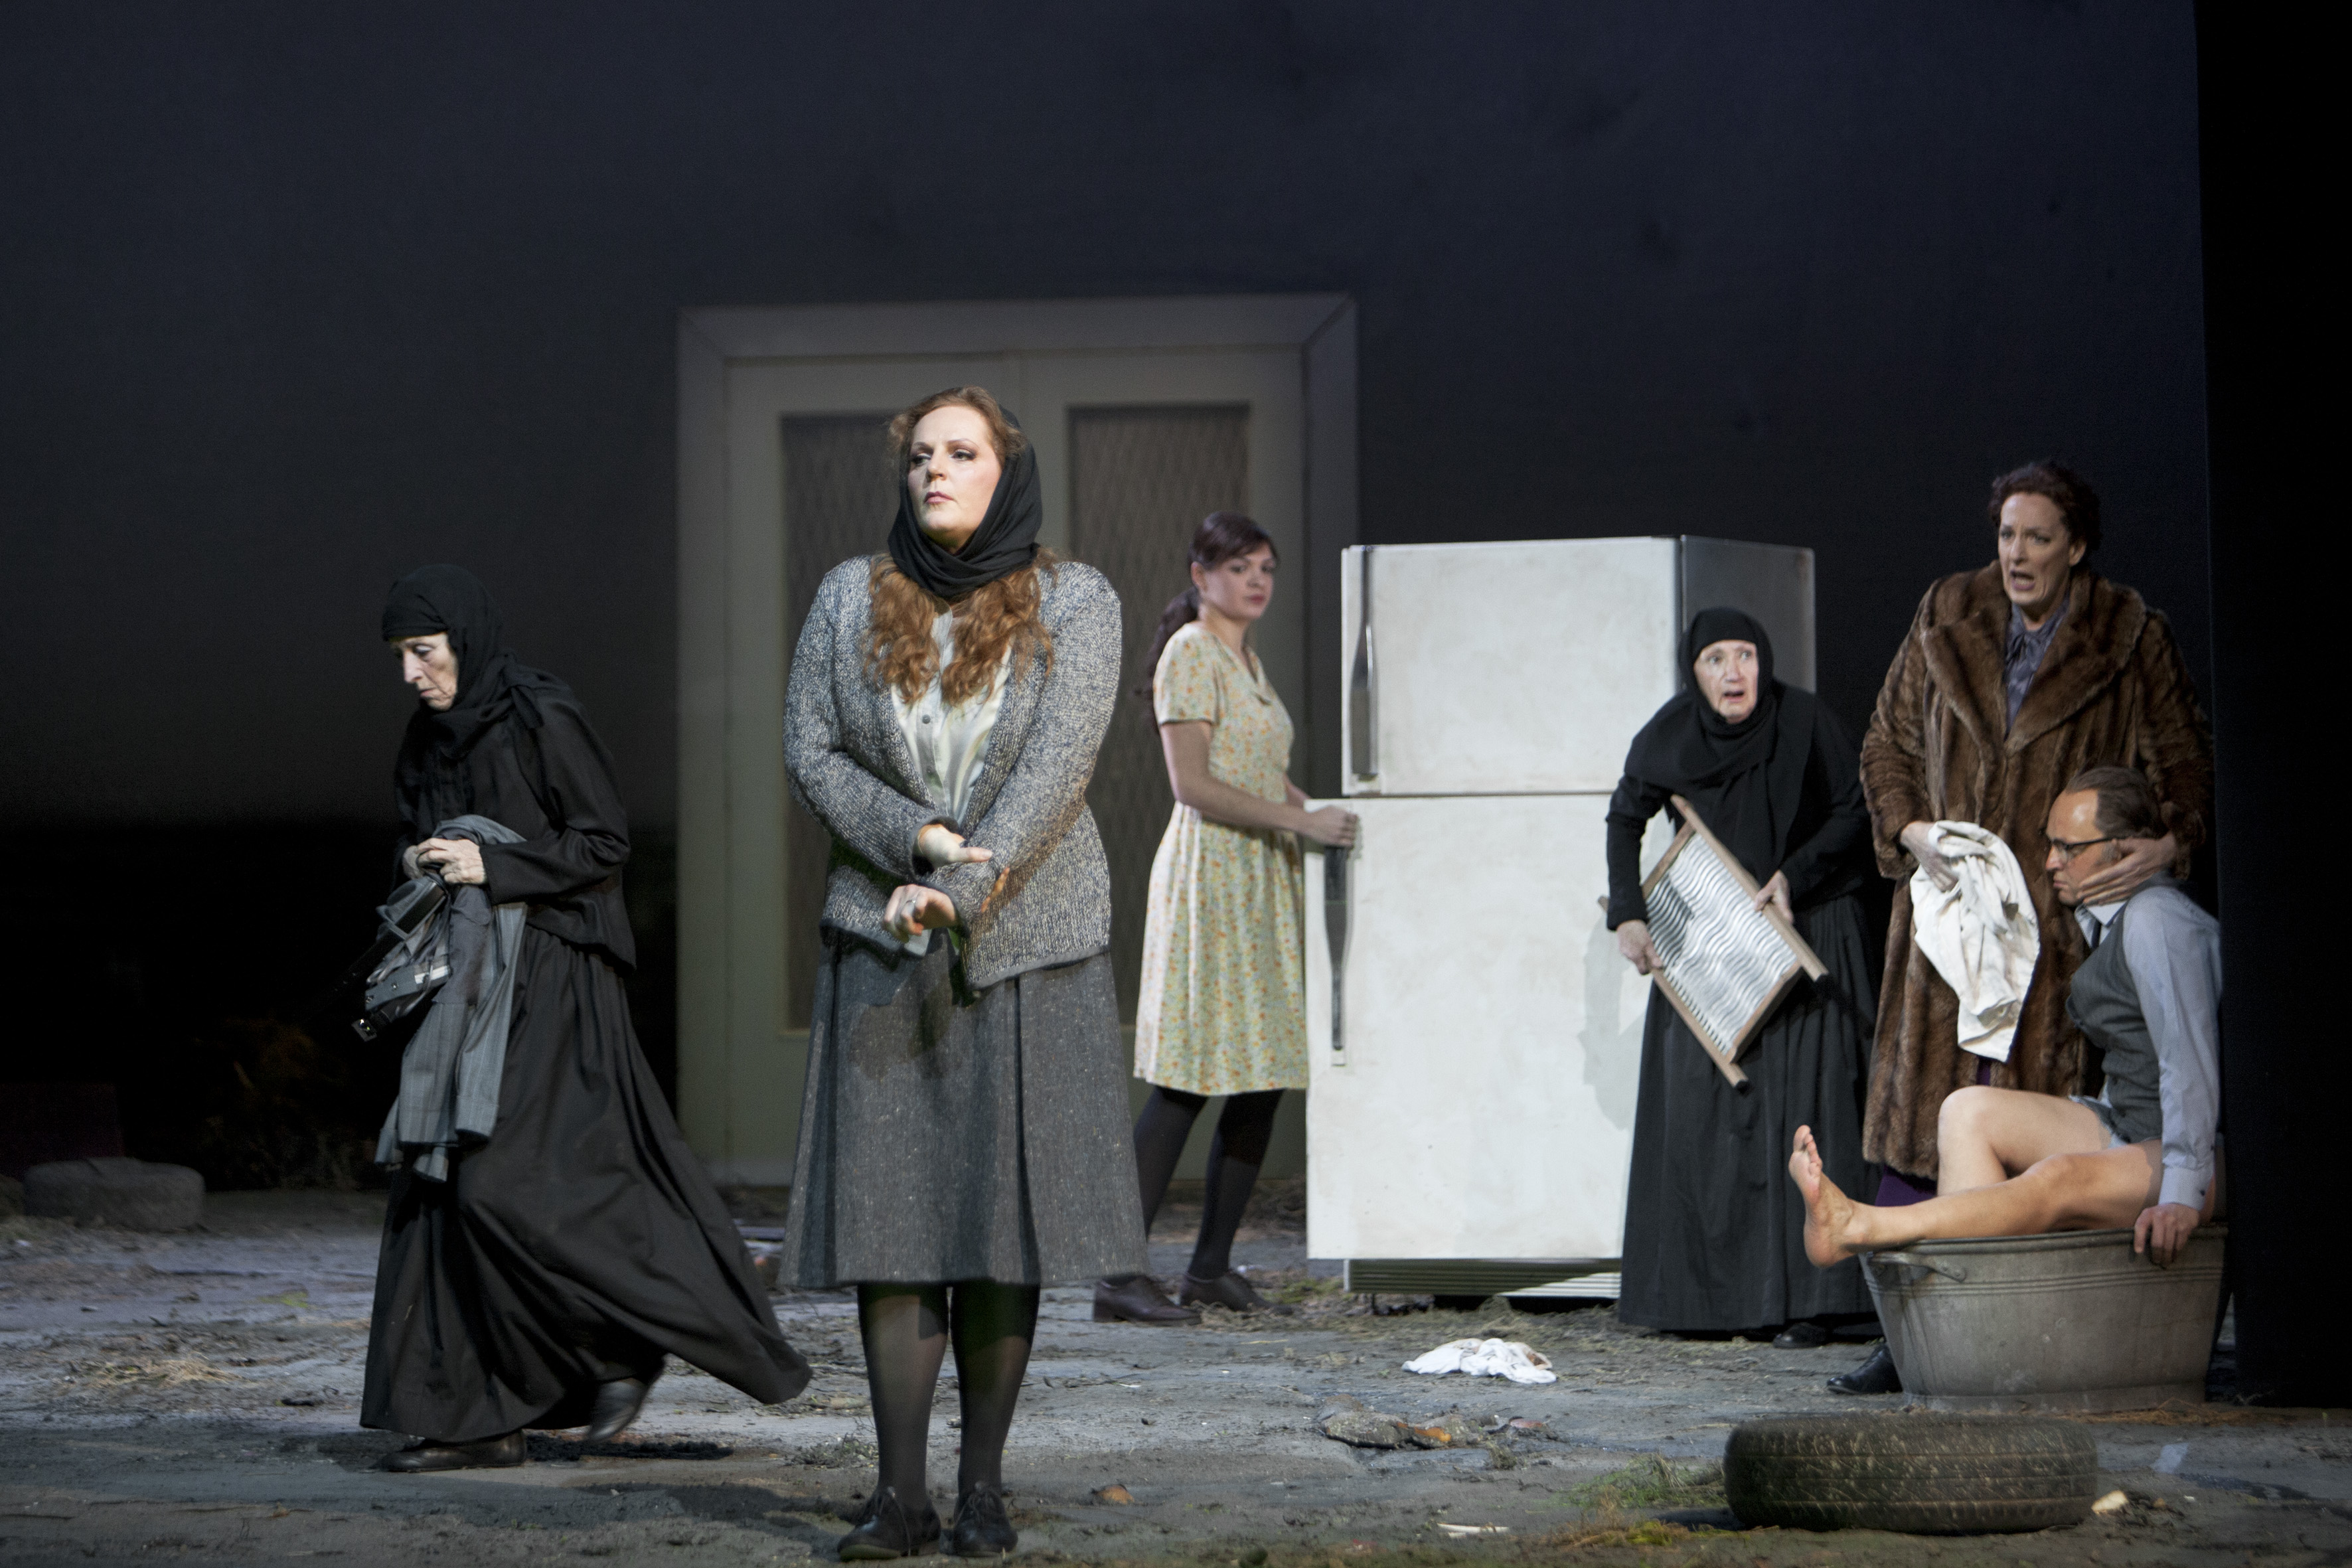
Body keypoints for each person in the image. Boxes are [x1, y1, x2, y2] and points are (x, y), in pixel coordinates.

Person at [778, 386, 1146, 1559]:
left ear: (1005, 470)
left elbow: (1057, 769)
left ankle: (981, 1486)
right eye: (920, 455)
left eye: (960, 451)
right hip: (882, 932)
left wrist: (966, 888)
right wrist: (918, 843)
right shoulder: (849, 594)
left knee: (998, 1223)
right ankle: (899, 1495)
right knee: (893, 1225)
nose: (934, 469)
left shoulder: (1074, 599)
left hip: (1025, 941)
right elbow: (809, 748)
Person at [364, 565, 809, 1472]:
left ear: (465, 639)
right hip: (468, 985)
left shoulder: (540, 714)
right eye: (400, 656)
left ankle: (625, 1343)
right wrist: (422, 859)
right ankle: (479, 1418)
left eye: (424, 651)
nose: (411, 672)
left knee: (503, 1186)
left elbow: (603, 841)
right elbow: (416, 836)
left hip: (557, 975)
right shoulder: (425, 739)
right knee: (441, 1190)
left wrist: (496, 866)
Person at [1840, 461, 2213, 1393]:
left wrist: (2165, 843)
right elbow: (1885, 743)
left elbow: (2185, 765)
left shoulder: (2127, 636)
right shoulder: (1946, 613)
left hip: (2052, 920)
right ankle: (1909, 1330)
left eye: (2037, 537)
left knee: (2021, 1112)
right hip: (1947, 914)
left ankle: (2017, 1325)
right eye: (2006, 534)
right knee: (1927, 1113)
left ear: (2074, 546)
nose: (2016, 554)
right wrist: (1911, 830)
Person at [1789, 765, 2220, 1269]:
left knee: (2057, 1178)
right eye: (2050, 844)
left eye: (2069, 848)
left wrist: (2182, 1194)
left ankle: (1861, 1226)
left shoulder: (2156, 918)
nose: (2051, 861)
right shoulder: (2112, 920)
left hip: (2196, 1152)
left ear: (2123, 850)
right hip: (2129, 1126)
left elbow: (2188, 1064)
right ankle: (1972, 1308)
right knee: (1967, 1111)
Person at [1093, 514, 1358, 1326]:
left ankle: (1208, 1270)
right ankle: (1117, 1274)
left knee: (1262, 1074)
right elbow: (1194, 784)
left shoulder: (1248, 660)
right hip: (1213, 876)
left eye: (1267, 568)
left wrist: (1321, 813)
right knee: (1190, 1075)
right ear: (1201, 574)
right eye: (1240, 567)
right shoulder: (1192, 652)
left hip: (1261, 878)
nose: (1257, 581)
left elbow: (1264, 774)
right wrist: (1302, 823)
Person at [1605, 607, 1878, 1344]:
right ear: (1694, 671)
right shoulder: (1671, 736)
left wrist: (1795, 874)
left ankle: (1824, 1305)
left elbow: (1856, 811)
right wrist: (1629, 913)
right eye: (1716, 659)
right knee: (1713, 1119)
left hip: (1811, 925)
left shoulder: (1805, 721)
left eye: (1746, 656)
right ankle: (1713, 1303)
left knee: (1812, 1115)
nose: (1734, 672)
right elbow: (1625, 817)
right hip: (1716, 939)